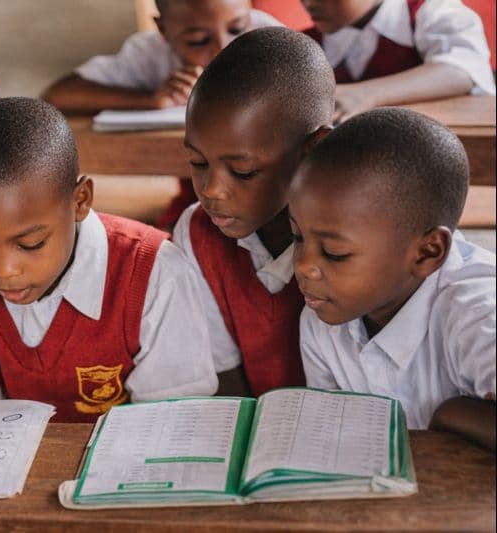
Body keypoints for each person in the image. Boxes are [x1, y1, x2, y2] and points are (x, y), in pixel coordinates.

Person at [0, 97, 218, 422]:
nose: (2, 270)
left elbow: (169, 424)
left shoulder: (154, 273)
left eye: (30, 243)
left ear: (80, 200)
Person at [290, 107, 496, 451]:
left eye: (335, 253)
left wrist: (450, 416)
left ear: (426, 253)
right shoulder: (321, 320)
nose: (304, 266)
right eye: (297, 237)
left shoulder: (478, 313)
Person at [172, 27, 335, 397]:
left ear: (310, 151)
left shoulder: (353, 240)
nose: (211, 190)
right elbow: (222, 376)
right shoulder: (197, 233)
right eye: (198, 162)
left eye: (243, 172)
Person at [42, 0, 282, 229]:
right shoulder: (150, 52)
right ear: (163, 30)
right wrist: (149, 99)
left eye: (237, 29)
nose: (223, 49)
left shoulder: (272, 40)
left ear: (249, 11)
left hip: (272, 195)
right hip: (194, 196)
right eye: (198, 40)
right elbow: (59, 94)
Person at [301, 0, 496, 123]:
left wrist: (364, 94)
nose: (310, 4)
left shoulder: (430, 12)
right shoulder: (304, 42)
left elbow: (464, 69)